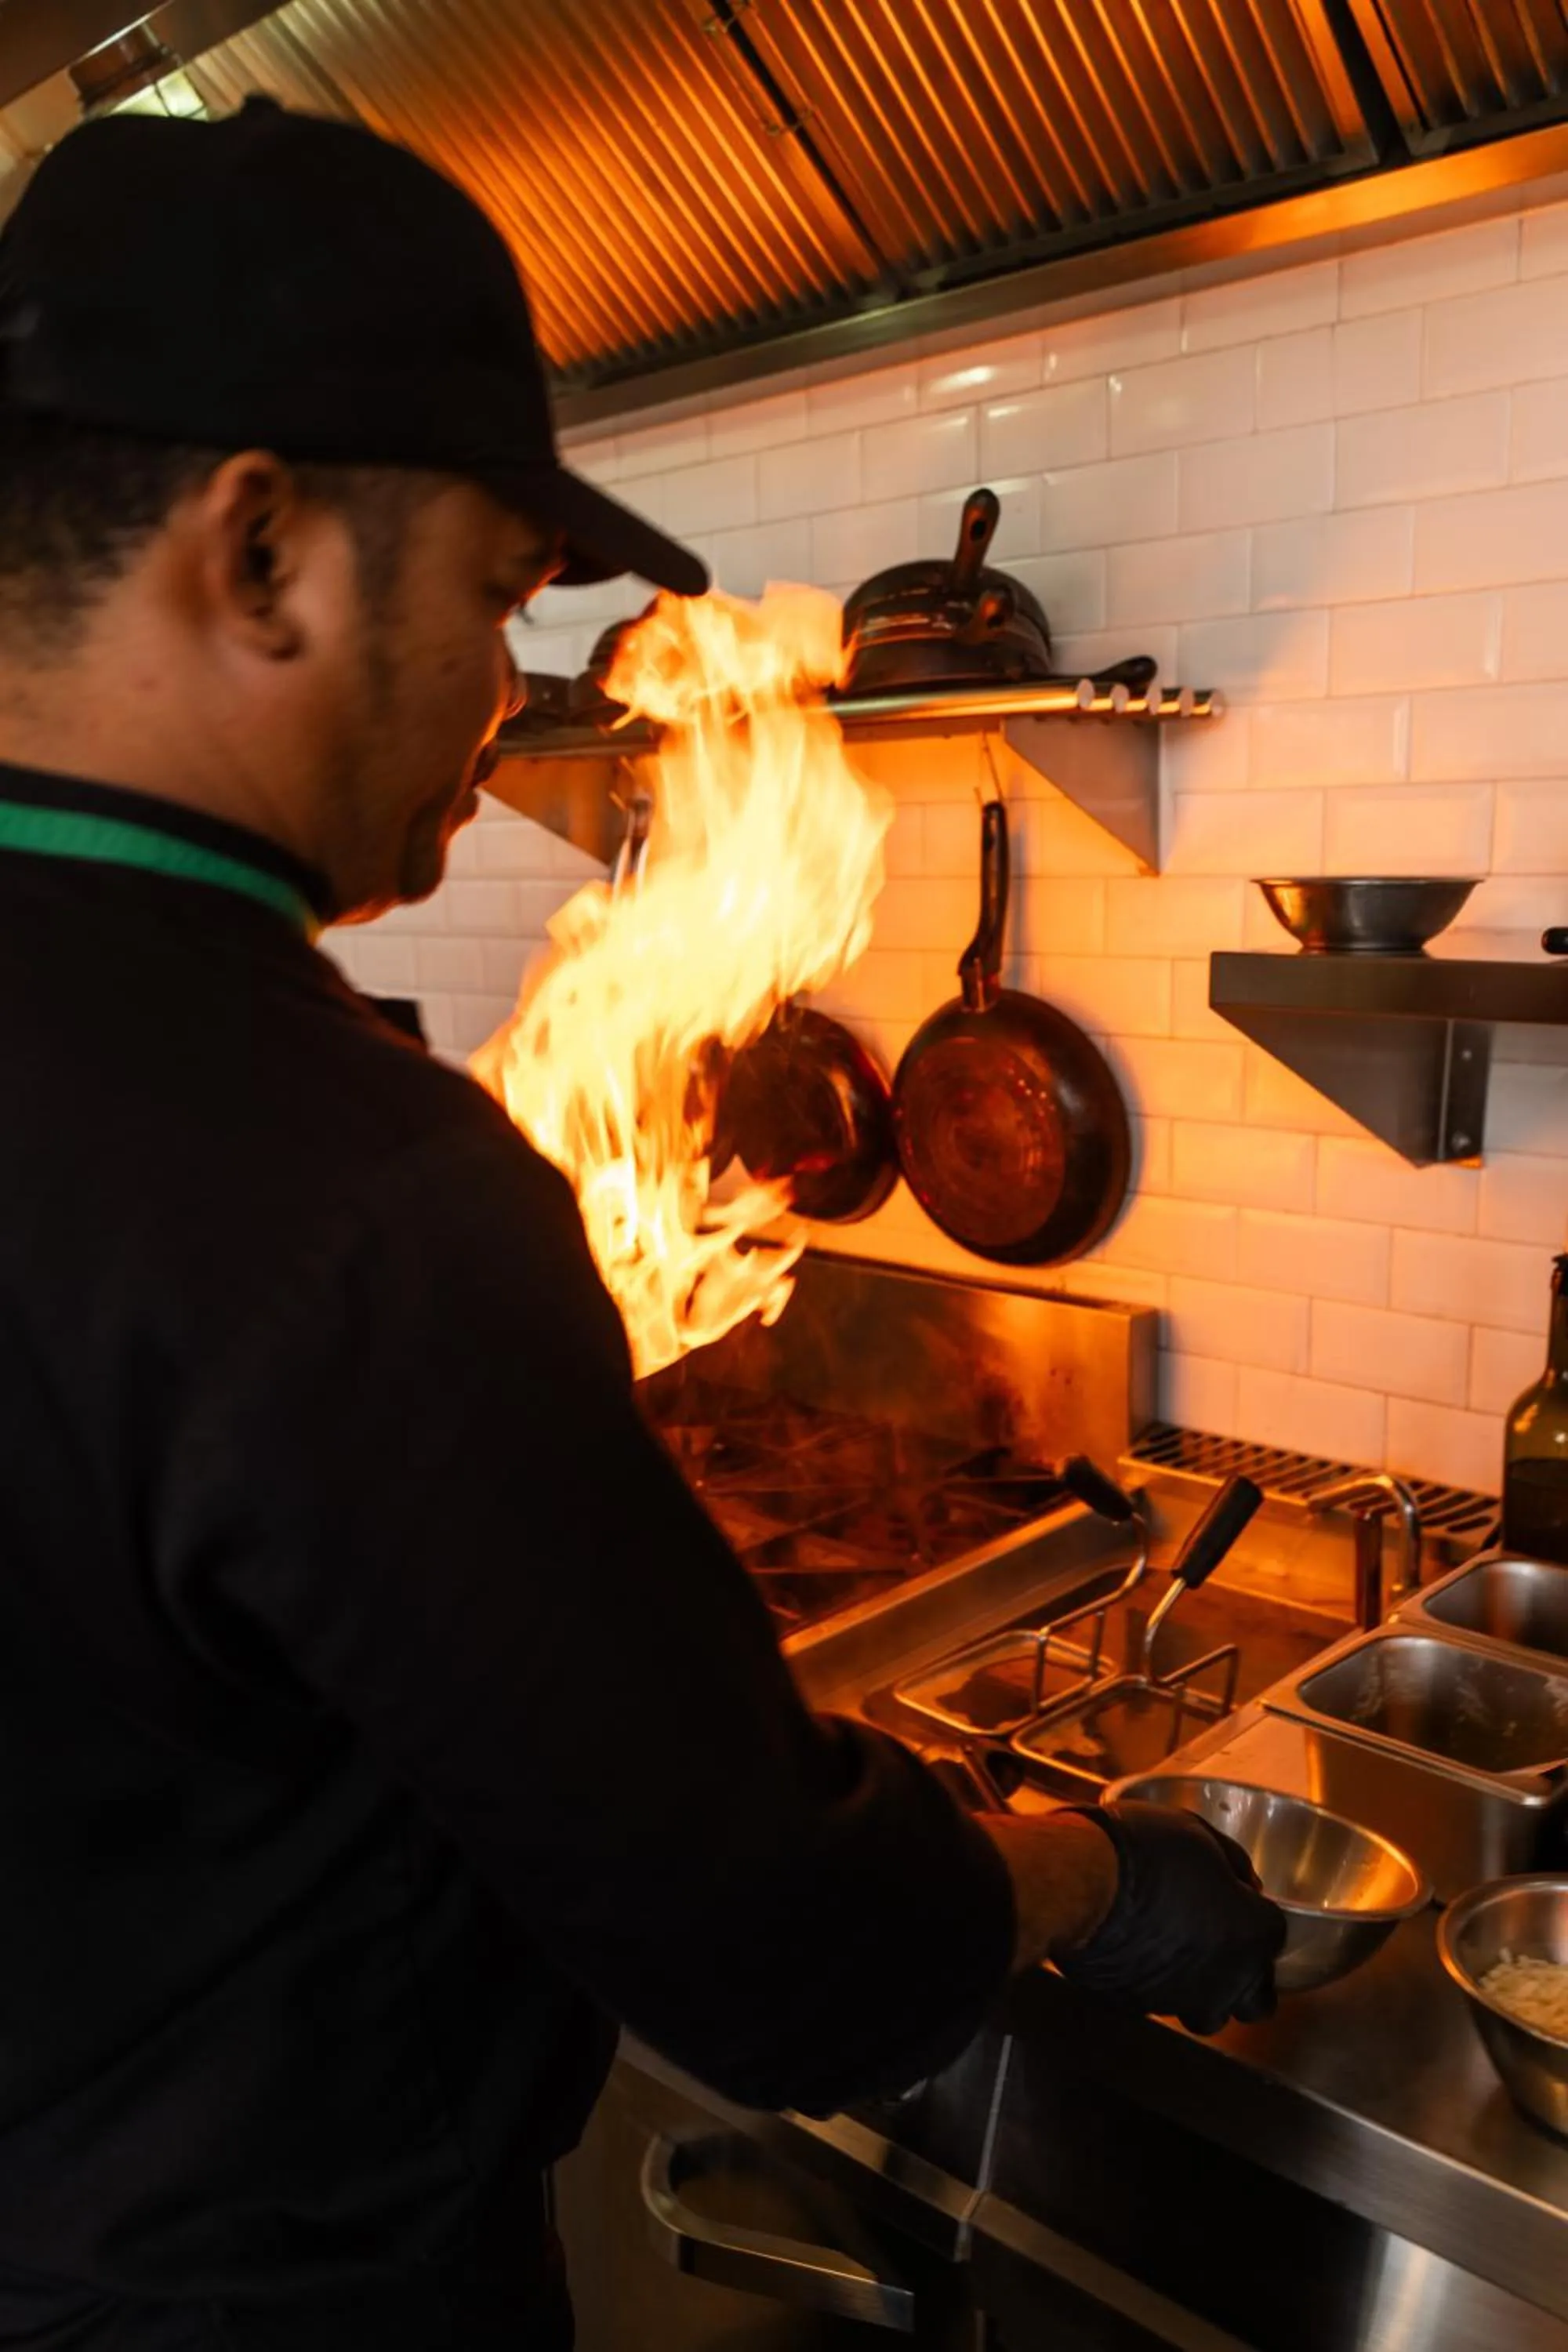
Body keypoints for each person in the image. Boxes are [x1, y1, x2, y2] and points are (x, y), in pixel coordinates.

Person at [0, 99, 1283, 2351]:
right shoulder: (349, 1199)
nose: (510, 693)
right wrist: (1094, 1876)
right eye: (500, 592)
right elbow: (777, 1953)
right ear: (264, 548)